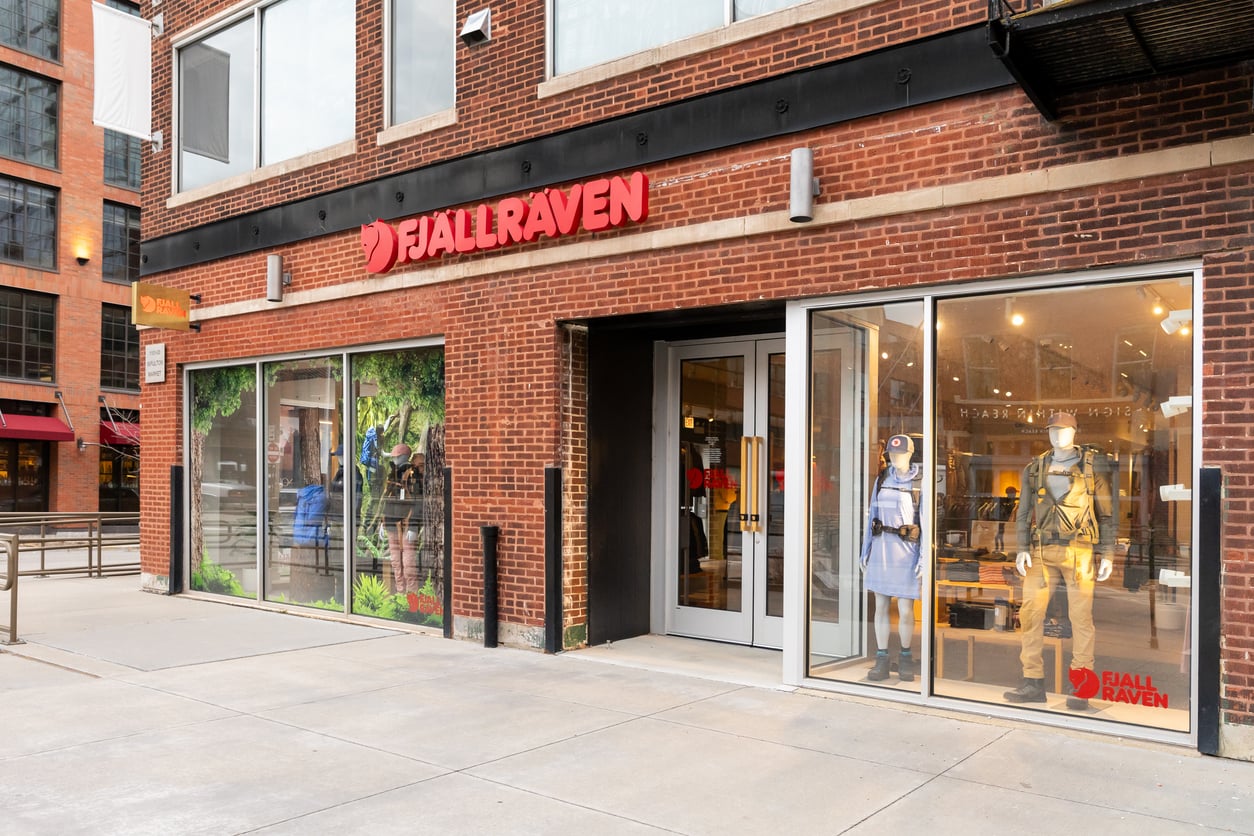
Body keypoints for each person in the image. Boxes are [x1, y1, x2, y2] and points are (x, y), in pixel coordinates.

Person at [1004, 412, 1114, 709]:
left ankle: (1081, 685)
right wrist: (1022, 547)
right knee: (1029, 614)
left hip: (1079, 551)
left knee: (1081, 619)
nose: (1057, 435)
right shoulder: (1036, 467)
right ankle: (1032, 681)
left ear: (1074, 432)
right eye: (1053, 430)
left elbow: (1106, 513)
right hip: (1041, 550)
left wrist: (1108, 552)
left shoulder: (1091, 466)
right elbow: (1024, 512)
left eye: (1063, 430)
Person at [860, 434, 923, 682]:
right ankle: (882, 658)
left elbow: (924, 521)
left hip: (906, 551)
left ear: (910, 454)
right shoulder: (883, 478)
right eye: (892, 454)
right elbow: (871, 515)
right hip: (881, 547)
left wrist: (922, 558)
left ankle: (906, 657)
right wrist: (865, 549)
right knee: (881, 606)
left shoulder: (919, 481)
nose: (895, 458)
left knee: (906, 609)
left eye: (901, 453)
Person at [381, 443, 423, 594]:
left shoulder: (413, 474)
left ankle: (412, 597)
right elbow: (387, 498)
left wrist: (413, 525)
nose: (395, 459)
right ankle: (400, 594)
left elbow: (418, 501)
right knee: (396, 563)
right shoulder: (392, 474)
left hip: (406, 525)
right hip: (391, 524)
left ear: (403, 456)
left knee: (409, 564)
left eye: (396, 456)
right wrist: (382, 522)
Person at [994, 486, 1017, 552]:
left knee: (1000, 537)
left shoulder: (1008, 503)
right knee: (999, 536)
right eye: (1014, 493)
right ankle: (1000, 549)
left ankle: (1000, 549)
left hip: (1006, 524)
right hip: (1005, 523)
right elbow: (1004, 515)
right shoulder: (1007, 504)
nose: (1015, 495)